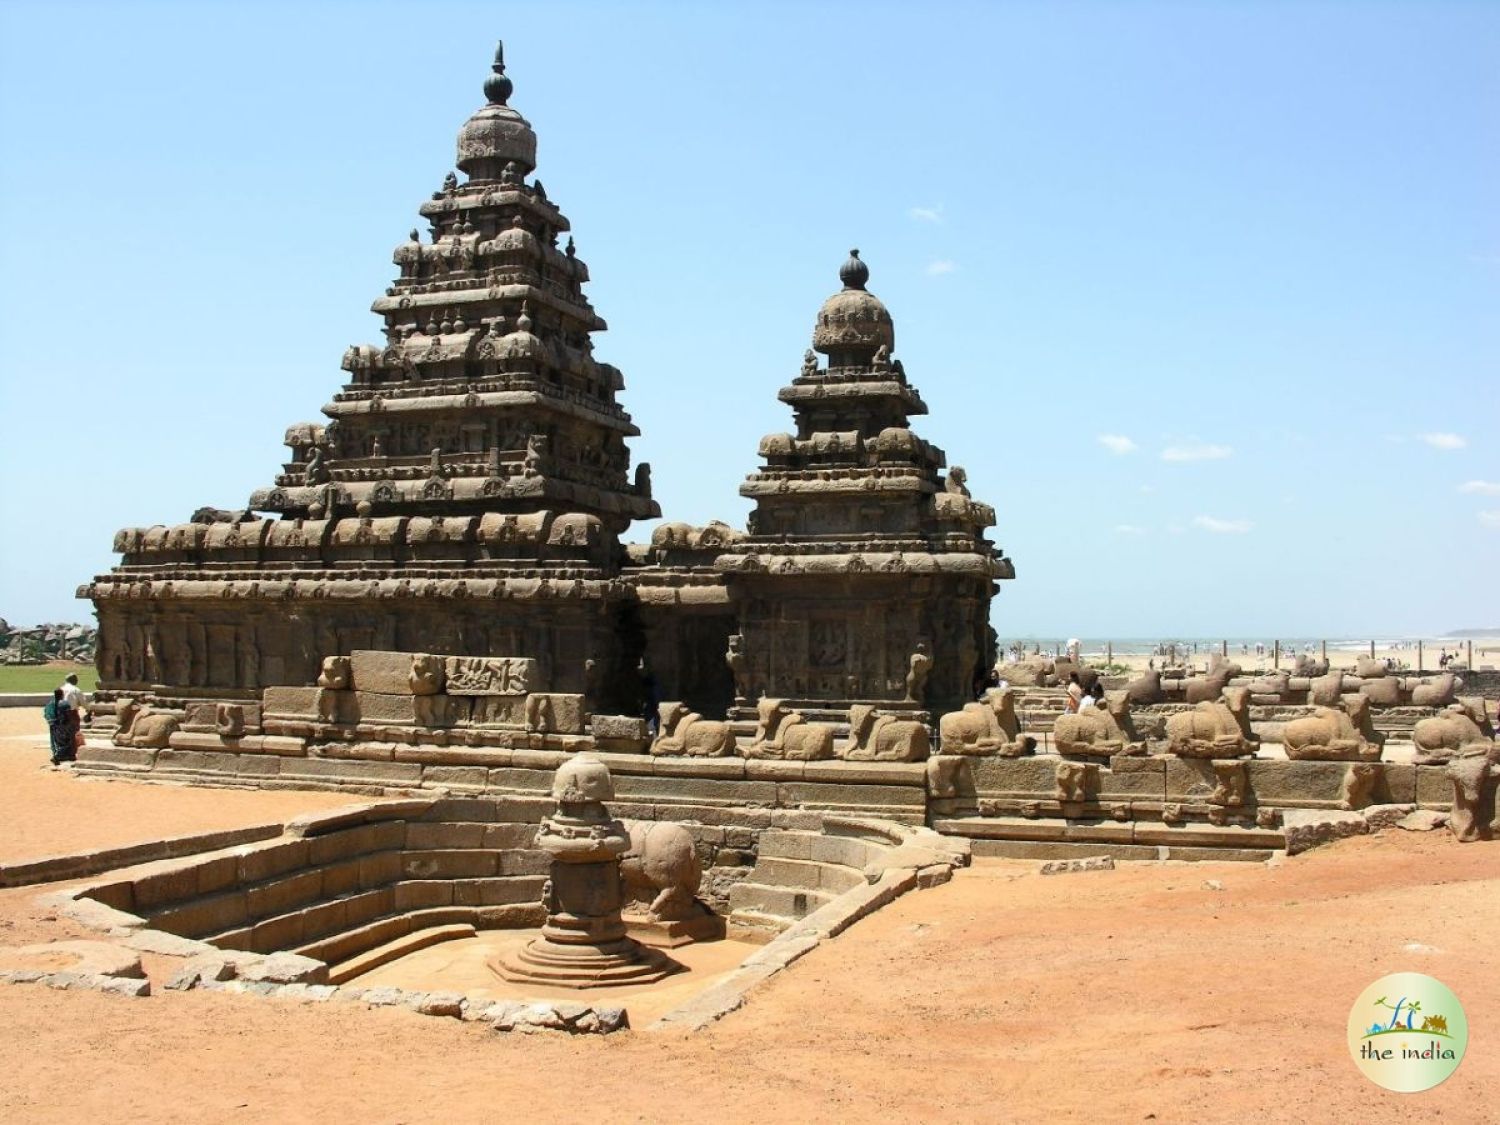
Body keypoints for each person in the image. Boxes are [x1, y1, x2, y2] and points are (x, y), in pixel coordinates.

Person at [42, 688, 75, 766]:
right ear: (62, 694)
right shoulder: (65, 704)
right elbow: (68, 715)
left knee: (55, 742)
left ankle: (58, 755)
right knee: (67, 741)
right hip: (63, 726)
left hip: (53, 725)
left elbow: (46, 714)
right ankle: (57, 756)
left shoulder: (50, 704)